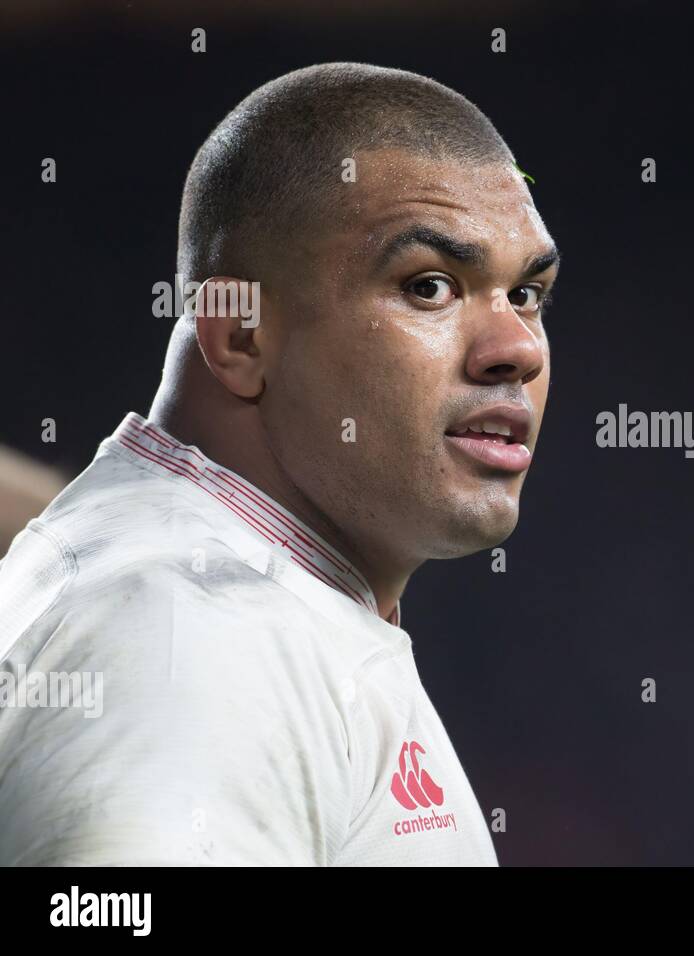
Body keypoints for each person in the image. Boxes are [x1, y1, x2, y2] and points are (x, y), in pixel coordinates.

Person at [0, 62, 560, 865]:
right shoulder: (186, 636)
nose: (517, 349)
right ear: (240, 334)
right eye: (430, 286)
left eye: (528, 294)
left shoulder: (257, 602)